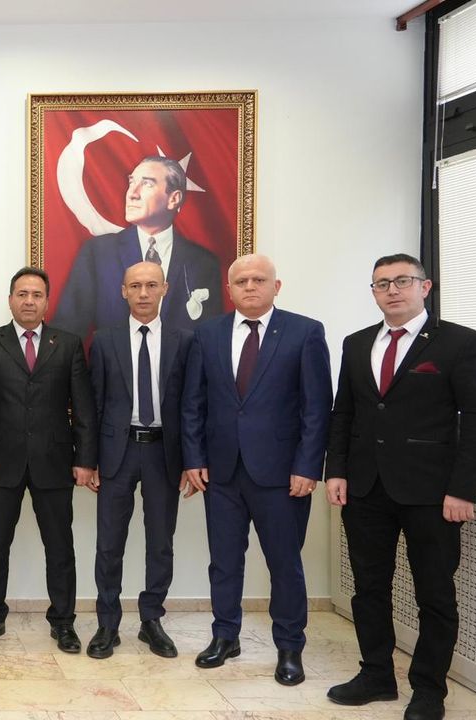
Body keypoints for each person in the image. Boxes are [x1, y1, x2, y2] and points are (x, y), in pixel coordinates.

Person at [324, 254, 476, 720]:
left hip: (432, 493)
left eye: (402, 280)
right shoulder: (357, 344)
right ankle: (376, 675)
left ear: (425, 286)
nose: (392, 290)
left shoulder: (461, 342)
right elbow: (344, 413)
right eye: (381, 283)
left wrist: (463, 489)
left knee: (434, 595)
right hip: (365, 489)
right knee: (368, 589)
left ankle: (429, 689)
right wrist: (335, 470)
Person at [180, 253, 331, 686]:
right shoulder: (207, 334)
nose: (250, 286)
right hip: (221, 473)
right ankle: (225, 636)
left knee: (284, 564)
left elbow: (317, 408)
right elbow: (193, 404)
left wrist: (308, 466)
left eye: (259, 280)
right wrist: (194, 459)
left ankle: (289, 647)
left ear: (275, 287)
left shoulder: (304, 332)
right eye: (241, 281)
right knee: (224, 562)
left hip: (283, 476)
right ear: (229, 289)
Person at [0, 266, 97, 653]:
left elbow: (83, 408)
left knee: (60, 547)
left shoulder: (67, 344)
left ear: (47, 302)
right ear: (10, 300)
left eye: (36, 295)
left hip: (54, 462)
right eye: (22, 294)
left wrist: (85, 459)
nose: (29, 301)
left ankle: (63, 622)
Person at [86, 261, 193, 659]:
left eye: (151, 285)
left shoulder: (185, 340)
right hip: (118, 452)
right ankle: (107, 624)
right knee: (109, 543)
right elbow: (93, 405)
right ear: (123, 291)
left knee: (160, 542)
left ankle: (151, 620)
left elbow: (192, 406)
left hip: (165, 453)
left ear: (165, 288)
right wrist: (89, 459)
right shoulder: (105, 340)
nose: (143, 293)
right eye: (135, 286)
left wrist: (192, 460)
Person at [53, 155, 223, 337]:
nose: (132, 193)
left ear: (174, 199)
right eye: (131, 182)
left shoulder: (204, 263)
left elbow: (210, 338)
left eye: (147, 184)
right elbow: (66, 334)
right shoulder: (97, 254)